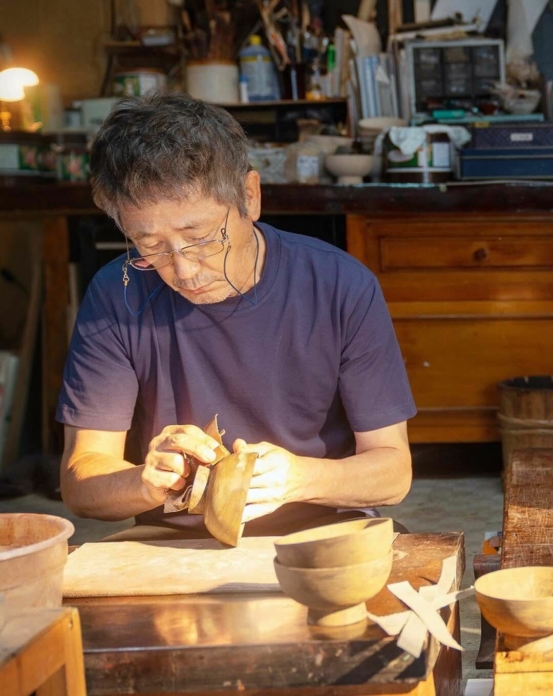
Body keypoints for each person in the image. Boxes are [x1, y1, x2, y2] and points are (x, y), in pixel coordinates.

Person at [58, 92, 416, 539]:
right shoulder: (117, 293)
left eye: (202, 238)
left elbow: (392, 470)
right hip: (173, 540)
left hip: (320, 527)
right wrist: (145, 481)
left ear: (249, 196)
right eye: (150, 246)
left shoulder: (340, 286)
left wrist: (299, 478)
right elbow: (80, 479)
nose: (183, 271)